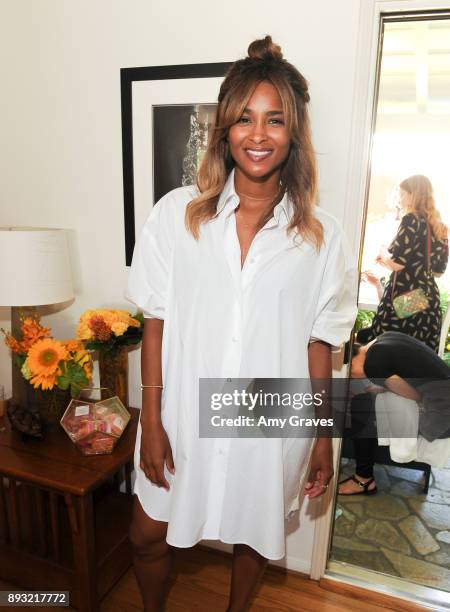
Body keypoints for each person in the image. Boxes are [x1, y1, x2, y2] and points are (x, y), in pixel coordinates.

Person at [125, 36, 357, 611]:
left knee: (255, 536)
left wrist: (324, 436)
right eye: (245, 119)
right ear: (225, 129)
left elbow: (319, 342)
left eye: (275, 121)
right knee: (147, 534)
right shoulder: (176, 215)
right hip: (180, 410)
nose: (258, 135)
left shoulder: (323, 236)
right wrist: (150, 419)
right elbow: (154, 320)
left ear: (293, 133)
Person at [339, 331, 450, 495]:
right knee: (367, 401)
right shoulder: (382, 340)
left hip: (441, 414)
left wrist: (384, 387)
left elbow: (415, 396)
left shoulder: (372, 365)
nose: (352, 378)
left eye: (349, 374)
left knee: (361, 406)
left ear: (350, 364)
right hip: (443, 398)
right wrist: (383, 386)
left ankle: (364, 479)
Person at [359, 175, 448, 352]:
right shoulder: (439, 226)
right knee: (413, 361)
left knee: (382, 349)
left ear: (413, 194)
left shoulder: (411, 220)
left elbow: (399, 264)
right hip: (428, 300)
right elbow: (438, 270)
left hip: (410, 299)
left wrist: (383, 252)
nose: (400, 198)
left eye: (402, 194)